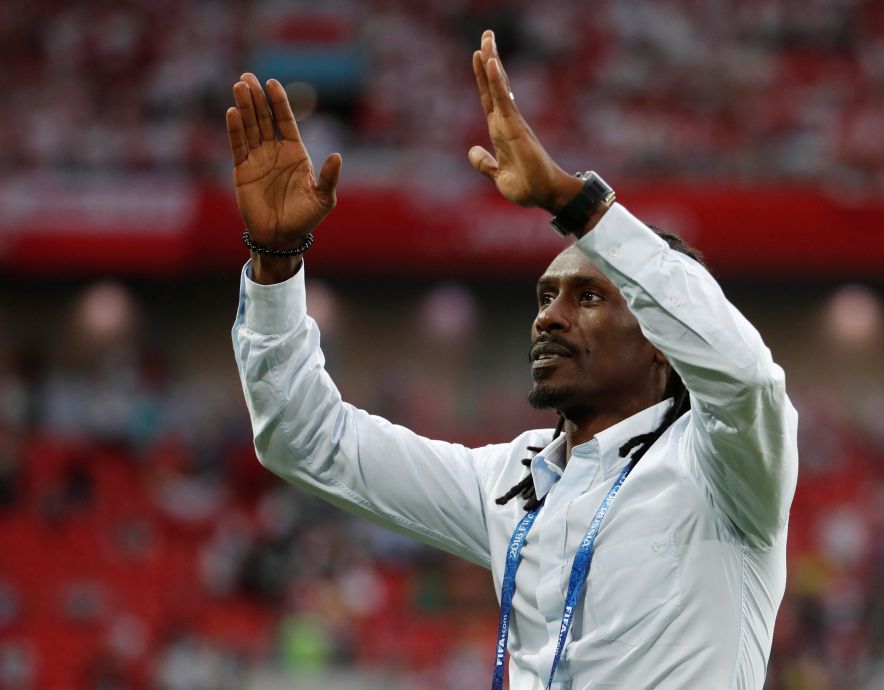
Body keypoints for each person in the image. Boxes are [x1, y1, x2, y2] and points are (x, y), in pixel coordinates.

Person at [228, 30, 798, 690]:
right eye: (545, 296)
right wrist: (275, 263)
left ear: (661, 344)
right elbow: (305, 438)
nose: (549, 317)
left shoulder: (722, 469)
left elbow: (746, 380)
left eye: (589, 297)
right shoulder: (509, 481)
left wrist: (576, 204)